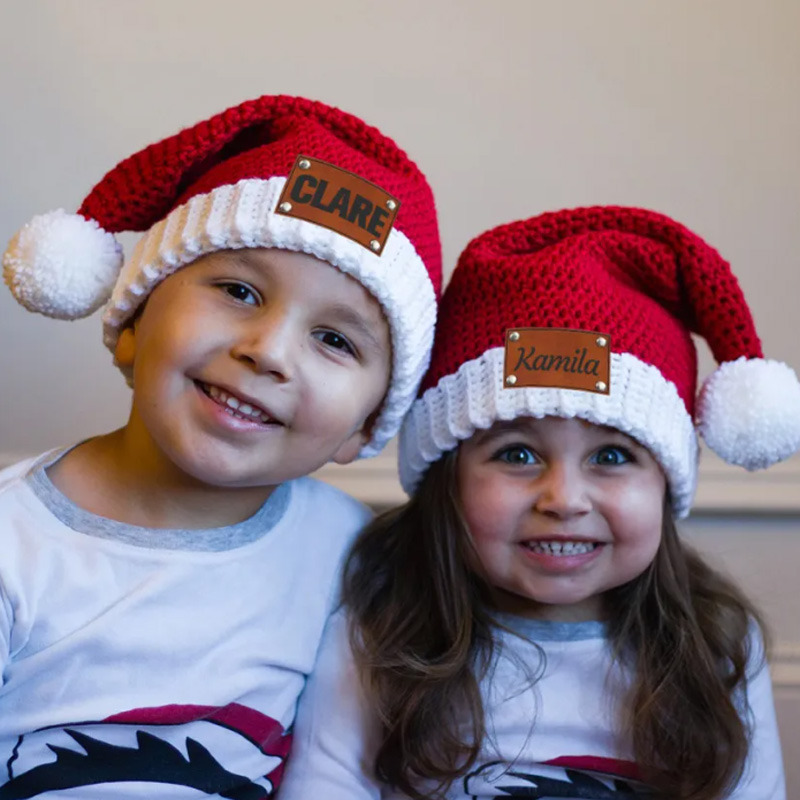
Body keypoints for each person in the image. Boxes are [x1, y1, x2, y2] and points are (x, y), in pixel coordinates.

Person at [0, 94, 441, 797]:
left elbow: (337, 771)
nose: (268, 352)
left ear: (365, 426)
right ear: (135, 322)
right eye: (238, 290)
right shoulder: (13, 544)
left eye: (333, 339)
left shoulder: (352, 555)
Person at [278, 206, 800, 799]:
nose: (564, 499)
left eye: (611, 457)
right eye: (518, 455)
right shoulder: (377, 623)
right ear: (445, 479)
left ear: (666, 483)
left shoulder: (720, 643)